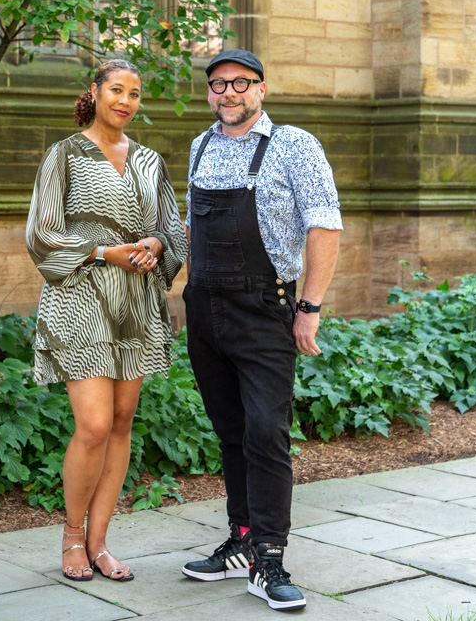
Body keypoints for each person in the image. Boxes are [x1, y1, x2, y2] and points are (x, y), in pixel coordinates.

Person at [180, 49, 341, 611]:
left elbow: (325, 225)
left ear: (262, 89)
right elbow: (190, 231)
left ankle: (269, 557)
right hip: (204, 308)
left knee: (267, 432)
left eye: (240, 83)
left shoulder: (294, 145)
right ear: (210, 93)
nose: (229, 93)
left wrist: (310, 306)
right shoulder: (199, 146)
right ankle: (241, 543)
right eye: (218, 84)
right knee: (230, 431)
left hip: (264, 308)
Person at [26, 59, 186, 583]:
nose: (126, 101)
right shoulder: (64, 155)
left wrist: (157, 243)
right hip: (81, 300)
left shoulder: (148, 160)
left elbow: (171, 226)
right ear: (94, 92)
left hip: (136, 305)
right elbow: (41, 234)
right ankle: (72, 538)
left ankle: (99, 544)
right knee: (93, 425)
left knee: (121, 422)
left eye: (135, 94)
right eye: (116, 90)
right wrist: (101, 252)